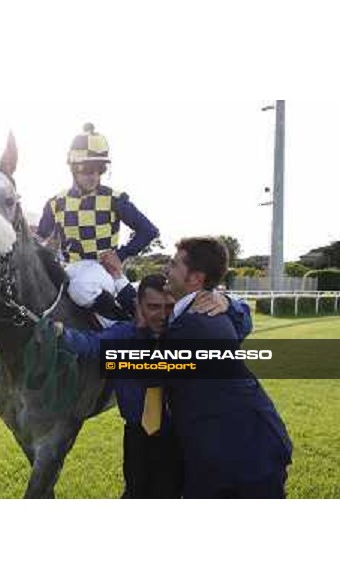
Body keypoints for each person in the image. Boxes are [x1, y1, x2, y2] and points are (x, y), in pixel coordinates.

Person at [61, 237, 292, 498]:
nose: (166, 269)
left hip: (245, 455)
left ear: (194, 278)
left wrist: (230, 303)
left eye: (173, 264)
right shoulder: (197, 313)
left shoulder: (194, 324)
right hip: (219, 451)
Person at [36, 123, 159, 323]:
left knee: (81, 288)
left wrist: (121, 254)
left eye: (100, 169)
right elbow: (40, 236)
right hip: (69, 267)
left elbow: (149, 231)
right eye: (87, 168)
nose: (94, 175)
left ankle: (124, 321)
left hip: (101, 268)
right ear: (73, 168)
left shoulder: (115, 199)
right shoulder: (55, 202)